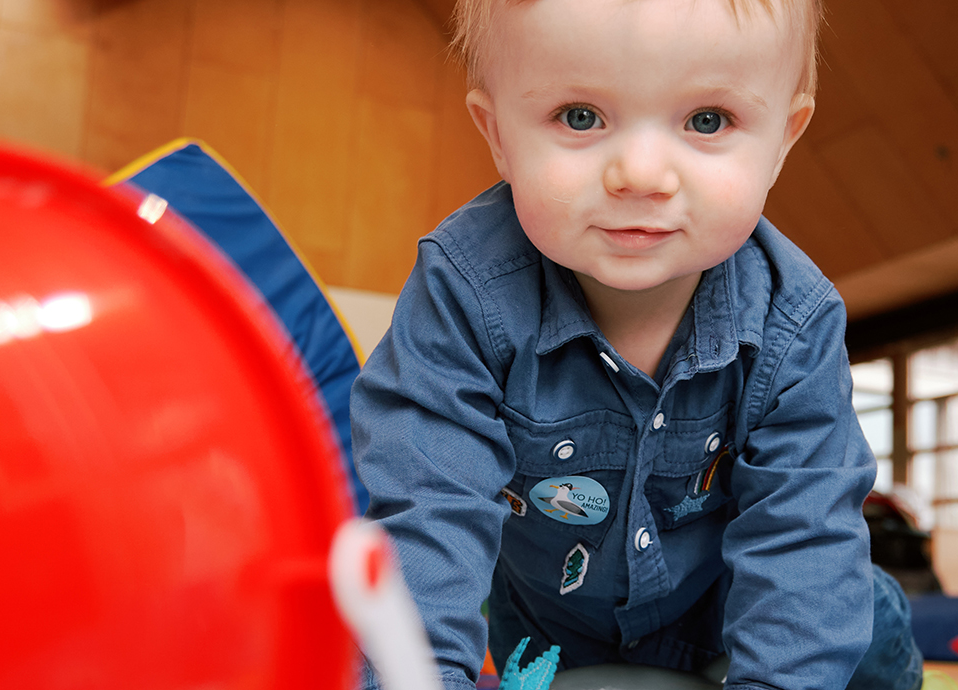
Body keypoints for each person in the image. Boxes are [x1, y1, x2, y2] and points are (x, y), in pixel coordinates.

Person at [350, 0, 922, 688]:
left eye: (707, 121)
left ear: (783, 140)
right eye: (580, 117)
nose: (642, 175)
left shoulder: (794, 316)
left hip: (743, 616)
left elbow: (800, 535)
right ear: (497, 134)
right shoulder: (463, 293)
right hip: (554, 632)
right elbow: (426, 513)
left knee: (854, 620)